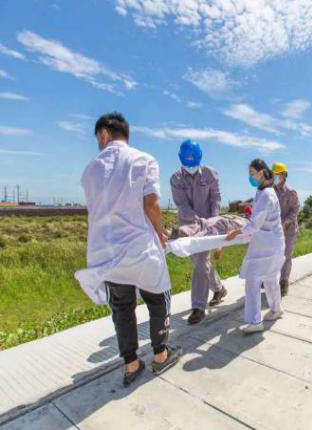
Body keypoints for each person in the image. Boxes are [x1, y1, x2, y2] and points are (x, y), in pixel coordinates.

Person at [78, 112, 180, 386]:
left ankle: (131, 364)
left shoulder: (89, 170)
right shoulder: (143, 160)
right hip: (139, 248)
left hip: (106, 254)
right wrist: (161, 234)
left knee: (122, 309)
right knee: (158, 299)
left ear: (104, 133)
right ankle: (161, 355)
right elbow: (152, 205)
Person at [170, 140, 227, 326]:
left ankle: (198, 307)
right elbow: (182, 205)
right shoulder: (176, 179)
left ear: (200, 158)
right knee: (200, 263)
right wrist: (197, 222)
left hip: (209, 225)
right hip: (188, 227)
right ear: (180, 159)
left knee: (202, 262)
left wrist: (214, 223)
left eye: (193, 162)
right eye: (187, 163)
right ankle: (219, 289)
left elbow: (216, 199)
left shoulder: (210, 174)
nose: (191, 166)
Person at [226, 159, 285, 334]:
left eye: (252, 173)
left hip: (266, 245)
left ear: (261, 172)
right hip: (273, 243)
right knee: (270, 278)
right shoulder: (266, 191)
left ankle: (255, 321)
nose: (250, 177)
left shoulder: (266, 194)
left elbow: (254, 225)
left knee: (253, 280)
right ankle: (276, 309)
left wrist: (236, 232)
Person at [272, 162, 300, 296]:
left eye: (277, 174)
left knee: (286, 255)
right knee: (272, 254)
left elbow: (295, 210)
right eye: (273, 175)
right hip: (275, 229)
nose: (275, 177)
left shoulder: (290, 192)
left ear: (283, 175)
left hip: (289, 229)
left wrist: (285, 221)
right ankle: (268, 278)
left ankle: (284, 281)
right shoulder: (271, 191)